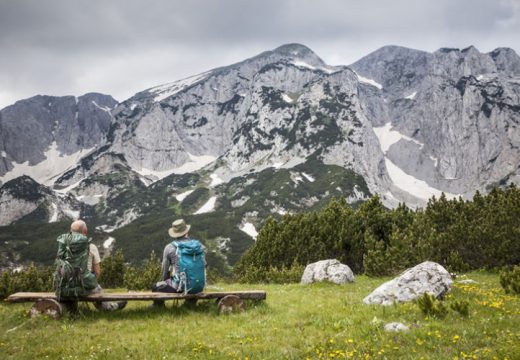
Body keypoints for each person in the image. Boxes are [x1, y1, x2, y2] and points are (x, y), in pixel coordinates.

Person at [69, 220, 126, 311]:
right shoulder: (91, 247)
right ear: (85, 232)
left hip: (65, 287)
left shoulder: (64, 247)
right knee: (96, 289)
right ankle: (113, 307)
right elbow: (98, 272)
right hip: (83, 287)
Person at [152, 219, 206, 306]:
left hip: (179, 287)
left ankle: (158, 306)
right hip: (198, 286)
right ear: (186, 231)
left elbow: (164, 271)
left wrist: (165, 282)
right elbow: (204, 265)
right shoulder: (199, 246)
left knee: (156, 286)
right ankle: (190, 304)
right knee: (191, 286)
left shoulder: (169, 247)